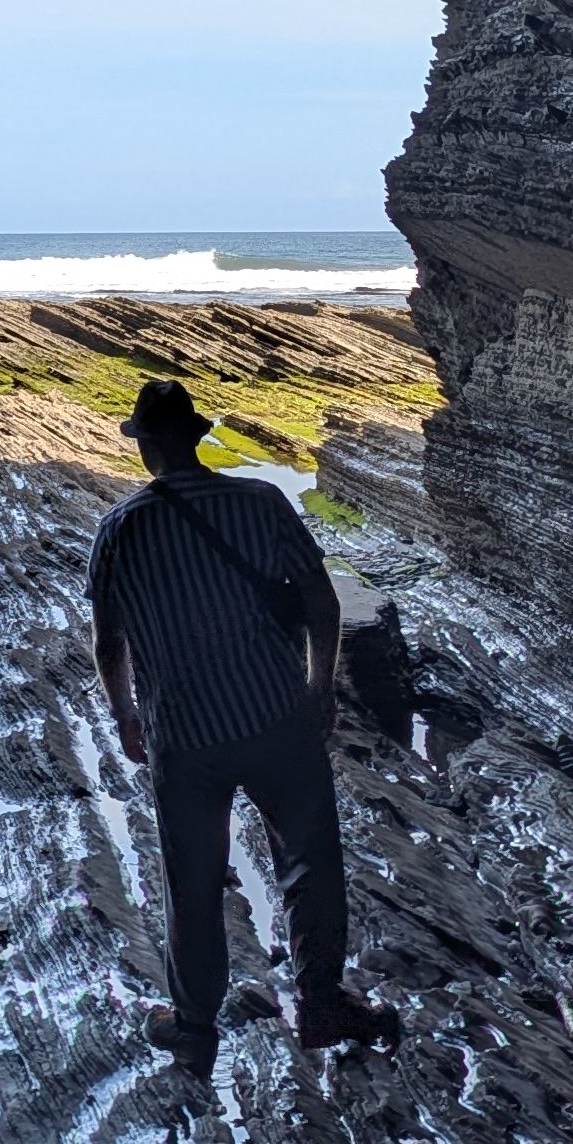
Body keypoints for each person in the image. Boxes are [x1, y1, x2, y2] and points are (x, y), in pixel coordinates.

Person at [88, 378, 391, 1068]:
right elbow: (320, 601)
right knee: (310, 863)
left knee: (192, 883)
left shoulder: (123, 526)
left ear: (146, 450)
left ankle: (195, 1028)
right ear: (196, 437)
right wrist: (320, 687)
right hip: (276, 716)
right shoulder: (261, 502)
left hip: (185, 735)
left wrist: (125, 714)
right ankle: (321, 1002)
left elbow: (111, 642)